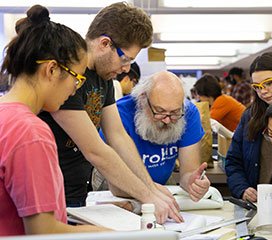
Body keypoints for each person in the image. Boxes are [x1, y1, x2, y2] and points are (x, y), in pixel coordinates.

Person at [38, 2, 182, 224]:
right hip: (44, 196)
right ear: (105, 43)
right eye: (125, 59)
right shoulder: (68, 75)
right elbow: (95, 150)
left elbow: (117, 135)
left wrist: (149, 185)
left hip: (75, 194)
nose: (127, 68)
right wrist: (147, 196)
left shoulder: (103, 78)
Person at [0, 5, 111, 235]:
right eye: (77, 79)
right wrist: (107, 234)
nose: (74, 91)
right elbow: (43, 232)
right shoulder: (31, 133)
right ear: (51, 70)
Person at [96, 71, 210, 202]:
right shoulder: (118, 114)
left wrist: (192, 182)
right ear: (143, 99)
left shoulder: (189, 113)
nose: (167, 120)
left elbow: (188, 171)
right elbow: (117, 186)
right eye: (160, 111)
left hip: (161, 183)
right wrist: (151, 191)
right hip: (116, 187)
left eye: (174, 113)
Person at [225, 52, 272, 202]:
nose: (263, 91)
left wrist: (270, 195)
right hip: (252, 204)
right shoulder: (250, 116)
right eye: (257, 87)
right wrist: (242, 189)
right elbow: (233, 161)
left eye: (269, 83)